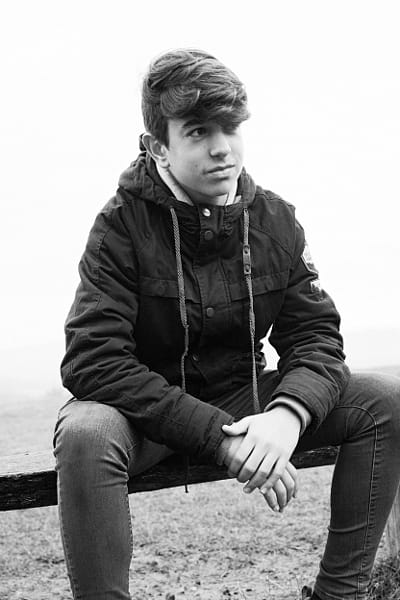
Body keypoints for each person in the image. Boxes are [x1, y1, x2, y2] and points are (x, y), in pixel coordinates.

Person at [54, 48, 400, 600]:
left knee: (385, 401)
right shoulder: (119, 225)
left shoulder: (275, 220)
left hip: (245, 394)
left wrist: (287, 415)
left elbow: (316, 338)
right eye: (197, 132)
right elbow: (93, 360)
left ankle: (340, 595)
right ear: (158, 146)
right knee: (85, 433)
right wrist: (219, 439)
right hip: (143, 414)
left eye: (231, 128)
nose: (222, 148)